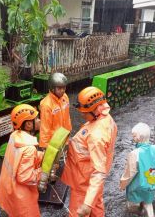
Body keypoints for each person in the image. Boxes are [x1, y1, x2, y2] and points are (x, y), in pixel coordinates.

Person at [61, 86, 118, 217]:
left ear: (95, 109)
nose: (82, 114)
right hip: (92, 185)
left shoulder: (96, 135)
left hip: (84, 181)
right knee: (96, 206)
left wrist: (87, 204)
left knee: (79, 212)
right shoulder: (106, 119)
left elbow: (99, 171)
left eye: (84, 112)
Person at [0, 104, 44, 217]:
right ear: (28, 124)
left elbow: (19, 158)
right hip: (22, 197)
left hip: (10, 189)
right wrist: (42, 171)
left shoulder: (14, 136)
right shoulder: (29, 148)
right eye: (36, 118)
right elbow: (25, 177)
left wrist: (41, 156)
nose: (39, 120)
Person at [119, 123, 155, 217]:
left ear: (138, 137)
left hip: (136, 187)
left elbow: (129, 174)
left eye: (134, 136)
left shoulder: (134, 153)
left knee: (132, 208)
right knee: (148, 204)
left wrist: (122, 184)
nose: (133, 138)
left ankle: (137, 213)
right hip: (151, 183)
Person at [39, 72, 72, 149]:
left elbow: (67, 117)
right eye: (59, 88)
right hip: (54, 141)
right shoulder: (46, 104)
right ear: (52, 88)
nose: (62, 90)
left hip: (65, 136)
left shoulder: (65, 97)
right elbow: (45, 127)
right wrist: (44, 146)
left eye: (64, 88)